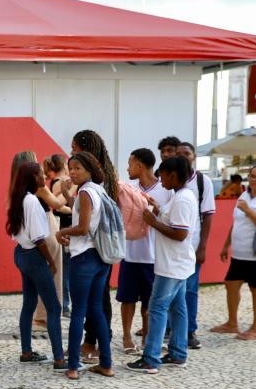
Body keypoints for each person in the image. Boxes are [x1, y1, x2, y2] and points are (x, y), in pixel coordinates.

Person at [127, 156, 197, 374]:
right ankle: (177, 354)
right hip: (177, 263)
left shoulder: (183, 199)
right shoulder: (181, 197)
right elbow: (174, 224)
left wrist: (153, 222)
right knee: (178, 308)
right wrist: (158, 211)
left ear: (174, 175)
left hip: (172, 265)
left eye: (164, 175)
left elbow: (180, 233)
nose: (161, 179)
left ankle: (150, 359)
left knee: (157, 308)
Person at [56, 151, 115, 380]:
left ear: (89, 169)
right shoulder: (97, 190)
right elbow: (84, 213)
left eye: (78, 167)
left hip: (84, 257)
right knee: (96, 310)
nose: (72, 172)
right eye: (70, 168)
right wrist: (66, 195)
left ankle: (72, 367)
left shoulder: (85, 193)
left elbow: (82, 227)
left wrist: (61, 231)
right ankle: (107, 363)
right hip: (101, 258)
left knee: (78, 313)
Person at [214, 164, 256, 340]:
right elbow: (236, 223)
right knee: (231, 284)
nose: (254, 179)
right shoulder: (245, 195)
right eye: (252, 175)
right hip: (240, 253)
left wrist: (248, 210)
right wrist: (226, 245)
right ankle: (232, 323)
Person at [8, 161, 64, 368]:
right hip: (34, 256)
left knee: (29, 303)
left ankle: (26, 352)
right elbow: (39, 238)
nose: (44, 178)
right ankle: (59, 358)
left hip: (21, 254)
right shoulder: (31, 201)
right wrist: (50, 261)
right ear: (33, 178)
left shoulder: (19, 198)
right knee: (54, 307)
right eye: (41, 174)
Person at [72, 131, 120, 362]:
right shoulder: (103, 180)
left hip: (91, 248)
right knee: (98, 301)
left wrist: (63, 231)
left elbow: (84, 224)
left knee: (93, 303)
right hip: (104, 247)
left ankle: (87, 349)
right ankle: (103, 354)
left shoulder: (90, 186)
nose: (71, 155)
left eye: (75, 150)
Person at [118, 149, 164, 354]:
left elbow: (171, 219)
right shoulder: (128, 189)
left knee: (149, 301)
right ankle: (127, 337)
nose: (127, 168)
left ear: (140, 165)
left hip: (154, 255)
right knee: (127, 299)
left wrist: (156, 211)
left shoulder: (166, 189)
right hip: (130, 253)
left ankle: (147, 336)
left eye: (130, 164)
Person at [176, 142, 215, 348]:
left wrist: (203, 246)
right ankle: (170, 329)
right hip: (171, 245)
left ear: (194, 157)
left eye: (187, 153)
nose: (183, 156)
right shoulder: (168, 179)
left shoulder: (202, 181)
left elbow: (208, 216)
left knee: (190, 290)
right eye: (179, 153)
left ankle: (189, 331)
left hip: (192, 244)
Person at [45, 153, 73, 315]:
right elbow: (56, 206)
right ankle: (64, 304)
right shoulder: (59, 182)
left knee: (67, 268)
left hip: (66, 227)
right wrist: (74, 209)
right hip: (61, 227)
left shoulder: (63, 182)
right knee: (64, 269)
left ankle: (64, 304)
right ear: (64, 165)